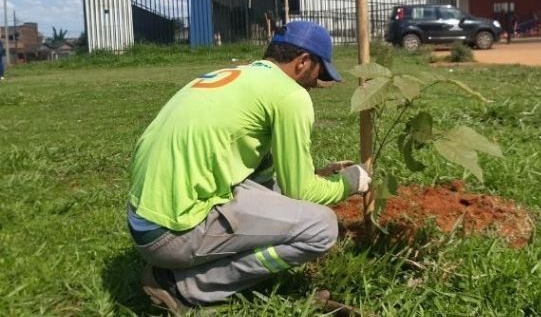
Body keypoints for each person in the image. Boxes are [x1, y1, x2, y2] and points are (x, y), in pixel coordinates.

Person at [127, 21, 371, 313]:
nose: (317, 83)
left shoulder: (236, 76)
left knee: (276, 193)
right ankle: (185, 287)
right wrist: (351, 182)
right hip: (171, 236)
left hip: (145, 221)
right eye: (320, 71)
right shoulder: (290, 95)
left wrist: (317, 175)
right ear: (303, 62)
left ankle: (188, 273)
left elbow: (263, 177)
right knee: (321, 227)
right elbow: (300, 191)